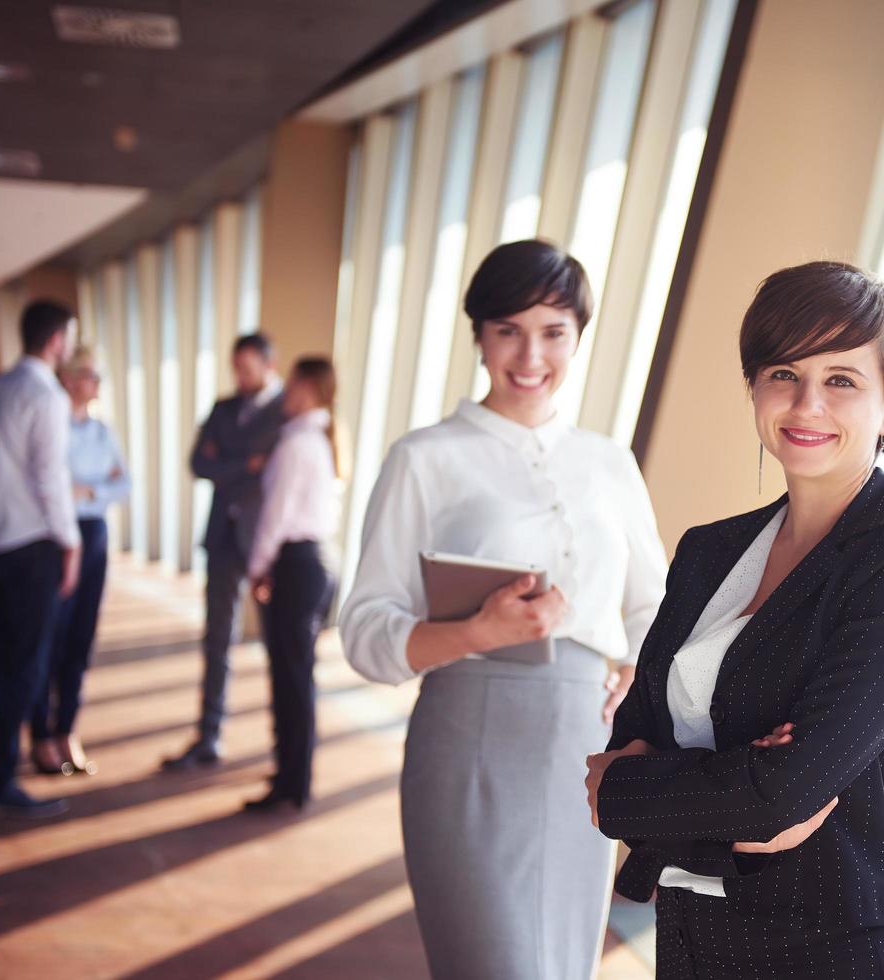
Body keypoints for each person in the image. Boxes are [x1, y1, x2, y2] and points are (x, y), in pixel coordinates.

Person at [586, 261, 884, 978]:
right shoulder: (709, 551)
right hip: (691, 942)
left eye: (841, 381)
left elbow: (782, 793)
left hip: (829, 950)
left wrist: (644, 791)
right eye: (783, 374)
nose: (805, 405)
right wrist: (738, 803)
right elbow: (628, 745)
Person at [340, 240, 668, 980]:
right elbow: (364, 629)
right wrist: (477, 630)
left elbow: (655, 605)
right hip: (468, 744)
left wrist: (637, 675)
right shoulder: (425, 458)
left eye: (553, 331)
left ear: (578, 336)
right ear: (479, 336)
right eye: (508, 330)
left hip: (591, 753)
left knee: (562, 965)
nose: (530, 354)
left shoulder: (607, 462)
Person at [0, 299, 82, 819]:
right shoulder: (45, 396)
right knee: (24, 666)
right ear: (57, 340)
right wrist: (70, 543)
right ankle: (0, 780)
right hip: (31, 547)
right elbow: (49, 478)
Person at [164, 333, 285, 770]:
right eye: (236, 368)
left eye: (247, 368)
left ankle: (282, 748)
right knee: (217, 640)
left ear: (269, 364)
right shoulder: (222, 408)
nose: (239, 376)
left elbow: (273, 471)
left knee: (279, 644)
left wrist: (227, 463)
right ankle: (209, 737)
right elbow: (199, 463)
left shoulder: (287, 410)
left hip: (266, 543)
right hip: (222, 539)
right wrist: (246, 464)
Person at [243, 357, 343, 813]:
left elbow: (275, 516)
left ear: (308, 388)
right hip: (319, 563)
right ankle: (291, 776)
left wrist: (258, 567)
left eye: (293, 386)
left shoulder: (297, 444)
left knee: (290, 679)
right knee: (296, 677)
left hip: (297, 565)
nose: (285, 394)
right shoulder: (321, 439)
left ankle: (292, 784)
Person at [29, 346, 130, 777]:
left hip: (94, 534)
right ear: (69, 379)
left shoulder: (103, 431)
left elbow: (123, 483)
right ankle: (39, 735)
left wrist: (85, 489)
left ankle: (67, 729)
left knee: (82, 637)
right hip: (54, 537)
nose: (97, 382)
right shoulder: (53, 426)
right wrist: (93, 484)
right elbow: (49, 484)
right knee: (49, 636)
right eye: (91, 374)